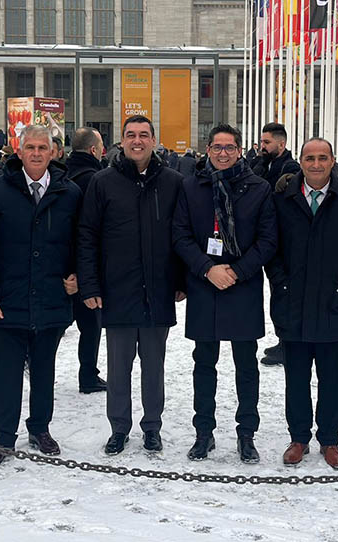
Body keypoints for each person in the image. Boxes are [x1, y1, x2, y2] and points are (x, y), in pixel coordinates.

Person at [77, 115, 185, 456]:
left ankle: (152, 427)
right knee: (118, 367)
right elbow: (88, 236)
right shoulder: (102, 182)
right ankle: (119, 428)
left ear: (154, 140)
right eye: (130, 135)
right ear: (121, 142)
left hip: (157, 289)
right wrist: (91, 285)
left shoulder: (173, 182)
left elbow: (181, 235)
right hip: (117, 289)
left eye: (143, 135)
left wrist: (180, 280)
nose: (136, 141)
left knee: (154, 367)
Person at [266, 138, 338, 470]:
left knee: (333, 379)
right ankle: (298, 438)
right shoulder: (283, 198)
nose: (316, 164)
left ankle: (329, 440)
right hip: (293, 304)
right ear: (300, 161)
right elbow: (271, 246)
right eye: (309, 158)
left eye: (322, 158)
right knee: (296, 378)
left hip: (335, 304)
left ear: (332, 161)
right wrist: (281, 282)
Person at [0, 125, 82, 468]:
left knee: (43, 369)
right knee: (6, 372)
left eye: (43, 147)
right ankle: (4, 435)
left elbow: (80, 244)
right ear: (18, 152)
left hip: (52, 297)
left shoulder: (70, 193)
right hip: (8, 299)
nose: (37, 153)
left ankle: (40, 427)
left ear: (53, 153)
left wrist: (77, 276)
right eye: (30, 147)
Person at [172, 125, 277, 463]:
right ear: (208, 149)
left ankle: (247, 433)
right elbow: (180, 236)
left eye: (229, 147)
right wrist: (206, 269)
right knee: (204, 364)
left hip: (242, 286)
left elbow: (268, 240)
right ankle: (204, 432)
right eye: (216, 147)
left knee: (246, 366)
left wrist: (237, 271)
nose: (222, 153)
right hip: (205, 285)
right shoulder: (191, 187)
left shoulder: (258, 188)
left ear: (238, 149)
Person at [251, 122, 302, 367]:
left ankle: (288, 343)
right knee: (276, 293)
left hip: (283, 240)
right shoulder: (266, 163)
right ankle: (284, 340)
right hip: (268, 237)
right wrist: (260, 163)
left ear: (281, 144)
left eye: (267, 142)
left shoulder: (289, 167)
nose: (262, 146)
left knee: (284, 293)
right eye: (262, 142)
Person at [65, 127, 108, 393]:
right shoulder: (95, 179)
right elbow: (93, 228)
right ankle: (88, 374)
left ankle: (32, 359)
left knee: (61, 320)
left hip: (62, 262)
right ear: (94, 149)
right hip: (86, 263)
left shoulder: (60, 173)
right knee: (91, 324)